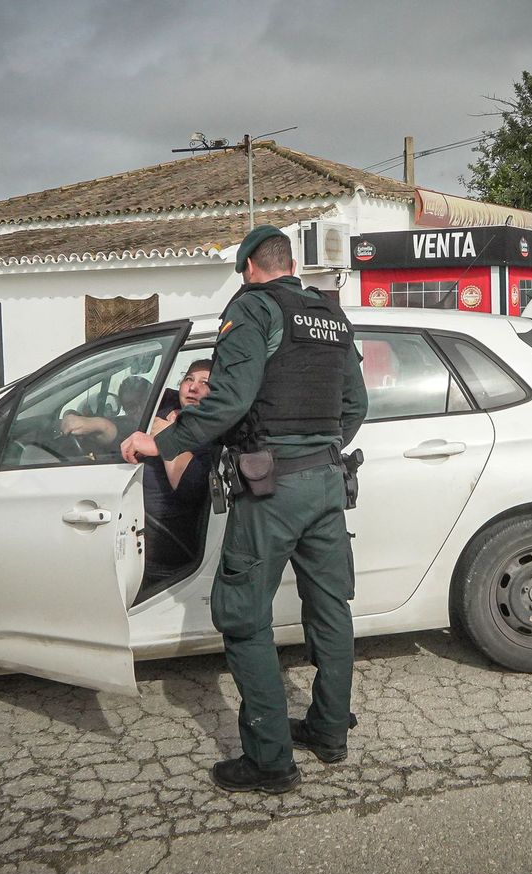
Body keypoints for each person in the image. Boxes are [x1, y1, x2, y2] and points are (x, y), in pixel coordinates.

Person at [122, 225, 367, 794]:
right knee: (330, 607)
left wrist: (164, 442)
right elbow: (356, 404)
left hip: (272, 489)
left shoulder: (253, 311)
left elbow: (230, 400)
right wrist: (318, 448)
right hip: (328, 482)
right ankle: (330, 732)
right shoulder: (331, 318)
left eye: (241, 272)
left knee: (242, 616)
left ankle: (269, 760)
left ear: (252, 267)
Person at [141, 360, 216, 586]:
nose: (193, 388)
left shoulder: (210, 431)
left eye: (205, 383)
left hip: (164, 547)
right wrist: (96, 425)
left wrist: (167, 438)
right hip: (132, 524)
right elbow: (127, 427)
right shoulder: (165, 410)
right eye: (189, 379)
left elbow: (190, 488)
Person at [60, 375, 153, 447]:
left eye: (144, 401)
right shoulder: (129, 425)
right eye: (131, 406)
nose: (140, 409)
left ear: (154, 397)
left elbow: (108, 428)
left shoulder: (165, 421)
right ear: (125, 409)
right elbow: (117, 431)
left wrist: (99, 424)